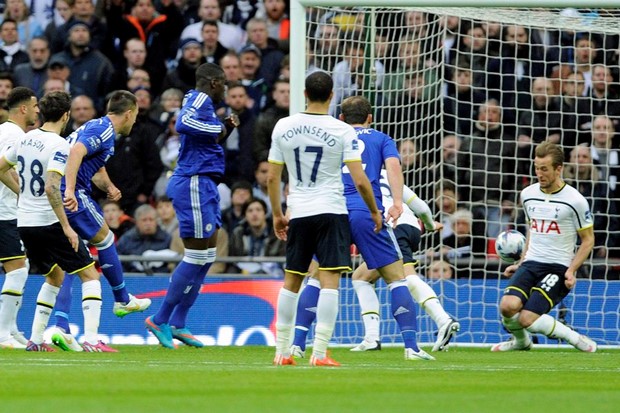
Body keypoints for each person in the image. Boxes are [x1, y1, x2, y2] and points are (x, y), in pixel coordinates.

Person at [288, 95, 436, 363]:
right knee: (396, 278)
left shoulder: (331, 135)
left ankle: (297, 345)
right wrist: (398, 203)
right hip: (367, 213)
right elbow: (393, 167)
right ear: (370, 117)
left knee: (316, 276)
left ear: (342, 118)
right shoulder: (381, 139)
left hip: (332, 211)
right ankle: (411, 347)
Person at [268, 74, 383, 367]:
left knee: (292, 280)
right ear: (332, 95)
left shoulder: (284, 126)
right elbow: (360, 180)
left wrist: (278, 214)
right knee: (330, 282)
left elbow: (272, 176)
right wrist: (373, 210)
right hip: (331, 210)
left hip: (299, 210)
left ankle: (282, 352)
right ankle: (319, 353)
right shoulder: (343, 130)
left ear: (305, 92)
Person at [0, 91, 114, 352]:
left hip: (25, 224)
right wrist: (66, 226)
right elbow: (52, 187)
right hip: (49, 222)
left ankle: (35, 340)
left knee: (55, 276)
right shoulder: (60, 145)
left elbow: (0, 168)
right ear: (65, 116)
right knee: (90, 275)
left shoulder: (25, 139)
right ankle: (92, 339)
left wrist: (22, 194)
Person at [145, 62, 240, 349]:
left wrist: (223, 128)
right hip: (194, 182)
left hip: (205, 183)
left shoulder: (205, 105)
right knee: (197, 256)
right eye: (223, 82)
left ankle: (179, 323)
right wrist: (219, 127)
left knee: (207, 256)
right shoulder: (199, 98)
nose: (226, 88)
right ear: (212, 82)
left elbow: (204, 133)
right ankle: (160, 318)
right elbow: (183, 123)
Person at [50, 90, 151, 351]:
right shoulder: (104, 131)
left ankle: (60, 323)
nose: (135, 121)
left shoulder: (96, 126)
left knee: (73, 258)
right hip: (70, 194)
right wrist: (70, 190)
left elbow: (94, 164)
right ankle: (122, 299)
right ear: (128, 113)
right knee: (105, 238)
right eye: (136, 116)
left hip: (54, 195)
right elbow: (76, 152)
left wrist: (109, 186)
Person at [492, 141, 597, 353]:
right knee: (507, 306)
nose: (539, 174)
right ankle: (522, 343)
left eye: (544, 169)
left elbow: (588, 240)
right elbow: (532, 229)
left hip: (557, 268)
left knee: (526, 318)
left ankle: (575, 338)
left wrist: (571, 270)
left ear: (559, 169)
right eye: (536, 168)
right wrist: (520, 263)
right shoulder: (528, 194)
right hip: (531, 264)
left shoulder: (575, 200)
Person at [346, 169, 459, 353]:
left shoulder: (352, 174)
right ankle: (371, 338)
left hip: (390, 226)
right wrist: (430, 225)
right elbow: (421, 206)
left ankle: (443, 320)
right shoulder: (385, 173)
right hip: (412, 227)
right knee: (361, 277)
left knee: (404, 276)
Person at [0, 87, 39, 349]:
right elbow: (2, 169)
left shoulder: (6, 131)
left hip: (7, 211)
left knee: (19, 269)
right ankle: (3, 334)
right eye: (35, 106)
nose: (38, 110)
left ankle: (11, 329)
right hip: (5, 212)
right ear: (23, 108)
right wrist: (23, 194)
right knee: (17, 272)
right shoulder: (14, 134)